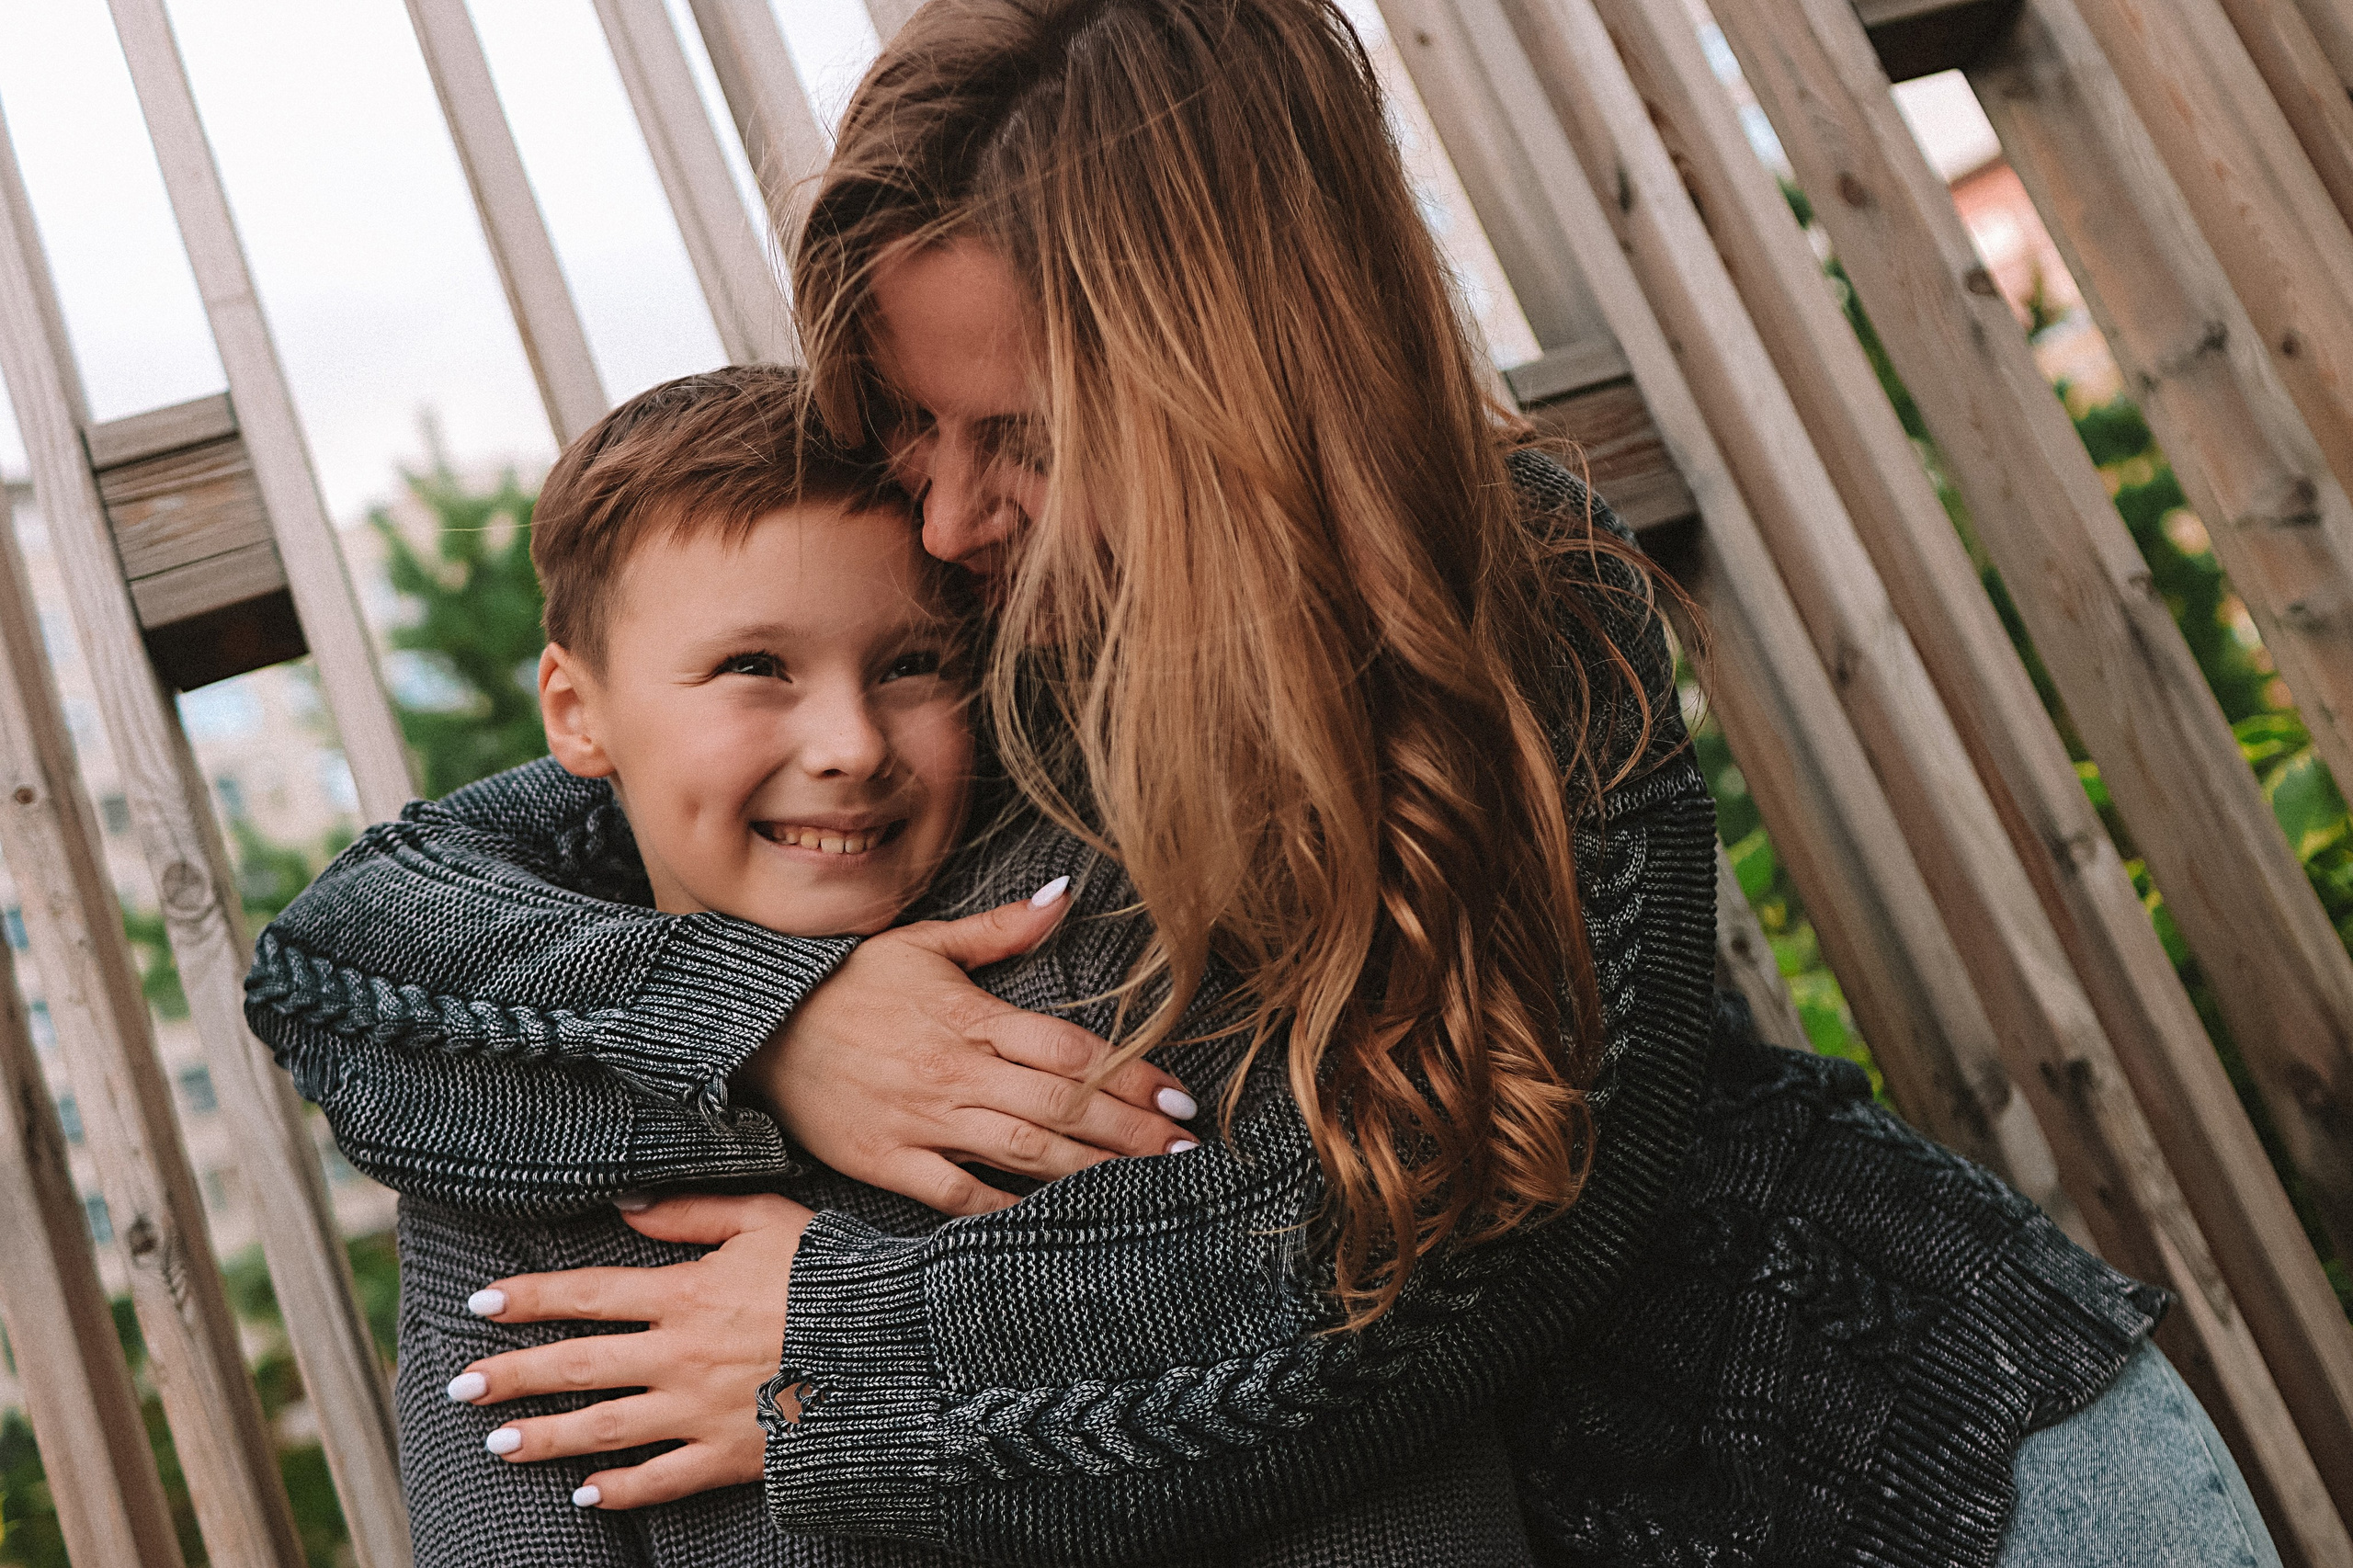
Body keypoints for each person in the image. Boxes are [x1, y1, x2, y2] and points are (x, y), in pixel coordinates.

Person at [245, 1, 2280, 1562]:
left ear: (1220, 377)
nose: (944, 514)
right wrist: (779, 1025)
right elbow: (360, 957)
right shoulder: (949, 665)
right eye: (909, 425)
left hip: (1913, 1471)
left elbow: (1441, 1261)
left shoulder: (1518, 624)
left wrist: (847, 1344)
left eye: (1017, 433)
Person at [378, 361, 1199, 1564]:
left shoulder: (1110, 981)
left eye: (912, 662)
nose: (852, 745)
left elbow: (1345, 1421)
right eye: (755, 667)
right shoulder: (499, 1163)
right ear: (575, 709)